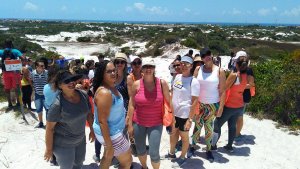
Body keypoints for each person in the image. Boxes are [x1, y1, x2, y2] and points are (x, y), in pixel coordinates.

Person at [44, 70, 95, 169]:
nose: (71, 82)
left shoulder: (83, 95)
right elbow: (49, 129)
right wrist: (49, 149)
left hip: (80, 140)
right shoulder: (57, 105)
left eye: (72, 79)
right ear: (60, 86)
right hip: (63, 144)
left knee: (79, 164)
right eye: (67, 81)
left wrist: (92, 130)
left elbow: (89, 113)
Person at [127, 58, 170, 169]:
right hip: (138, 123)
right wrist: (130, 124)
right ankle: (144, 167)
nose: (148, 69)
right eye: (146, 67)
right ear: (142, 68)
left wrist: (172, 120)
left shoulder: (162, 83)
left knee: (154, 154)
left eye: (151, 66)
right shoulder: (136, 84)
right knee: (140, 151)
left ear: (154, 68)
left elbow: (169, 102)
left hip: (156, 123)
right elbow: (131, 104)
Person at [212, 51, 255, 152]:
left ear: (236, 64)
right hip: (239, 105)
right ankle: (229, 146)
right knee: (232, 126)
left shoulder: (234, 75)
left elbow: (224, 88)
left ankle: (213, 145)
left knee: (217, 124)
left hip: (229, 105)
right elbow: (250, 85)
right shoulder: (248, 77)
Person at [93, 60, 132, 169]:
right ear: (102, 74)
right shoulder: (105, 92)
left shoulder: (111, 86)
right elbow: (102, 121)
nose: (113, 73)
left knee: (107, 156)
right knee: (127, 162)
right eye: (109, 71)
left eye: (114, 70)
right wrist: (109, 145)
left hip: (112, 131)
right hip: (112, 133)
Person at [190, 48, 226, 162]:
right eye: (204, 55)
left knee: (209, 128)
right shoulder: (197, 69)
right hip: (199, 104)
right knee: (197, 126)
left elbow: (223, 91)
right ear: (202, 58)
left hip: (212, 104)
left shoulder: (219, 71)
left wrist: (221, 107)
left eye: (209, 54)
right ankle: (193, 146)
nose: (207, 56)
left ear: (211, 55)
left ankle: (208, 150)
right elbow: (193, 86)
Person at [165, 56, 200, 168]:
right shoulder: (177, 77)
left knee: (184, 137)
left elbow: (194, 102)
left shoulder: (194, 82)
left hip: (185, 115)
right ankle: (171, 153)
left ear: (191, 66)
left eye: (187, 64)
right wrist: (171, 110)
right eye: (182, 63)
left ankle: (183, 157)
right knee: (173, 133)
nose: (184, 66)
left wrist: (190, 119)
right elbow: (173, 94)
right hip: (175, 113)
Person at [43, 65, 60, 166]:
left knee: (51, 134)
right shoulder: (57, 88)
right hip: (57, 112)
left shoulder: (45, 87)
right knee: (57, 136)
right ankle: (56, 158)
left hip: (49, 111)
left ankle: (52, 158)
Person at [0, 40, 23, 109]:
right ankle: (19, 103)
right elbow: (22, 58)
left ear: (5, 45)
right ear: (11, 44)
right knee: (17, 87)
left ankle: (10, 104)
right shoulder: (15, 51)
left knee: (7, 89)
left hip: (5, 72)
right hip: (15, 72)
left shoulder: (1, 51)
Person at [31, 59, 48, 128]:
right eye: (41, 65)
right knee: (39, 109)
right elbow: (32, 82)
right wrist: (33, 93)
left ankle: (48, 123)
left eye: (43, 65)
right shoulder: (33, 73)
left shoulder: (47, 73)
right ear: (36, 66)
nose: (43, 67)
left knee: (47, 109)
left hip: (46, 94)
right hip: (37, 94)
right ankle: (40, 122)